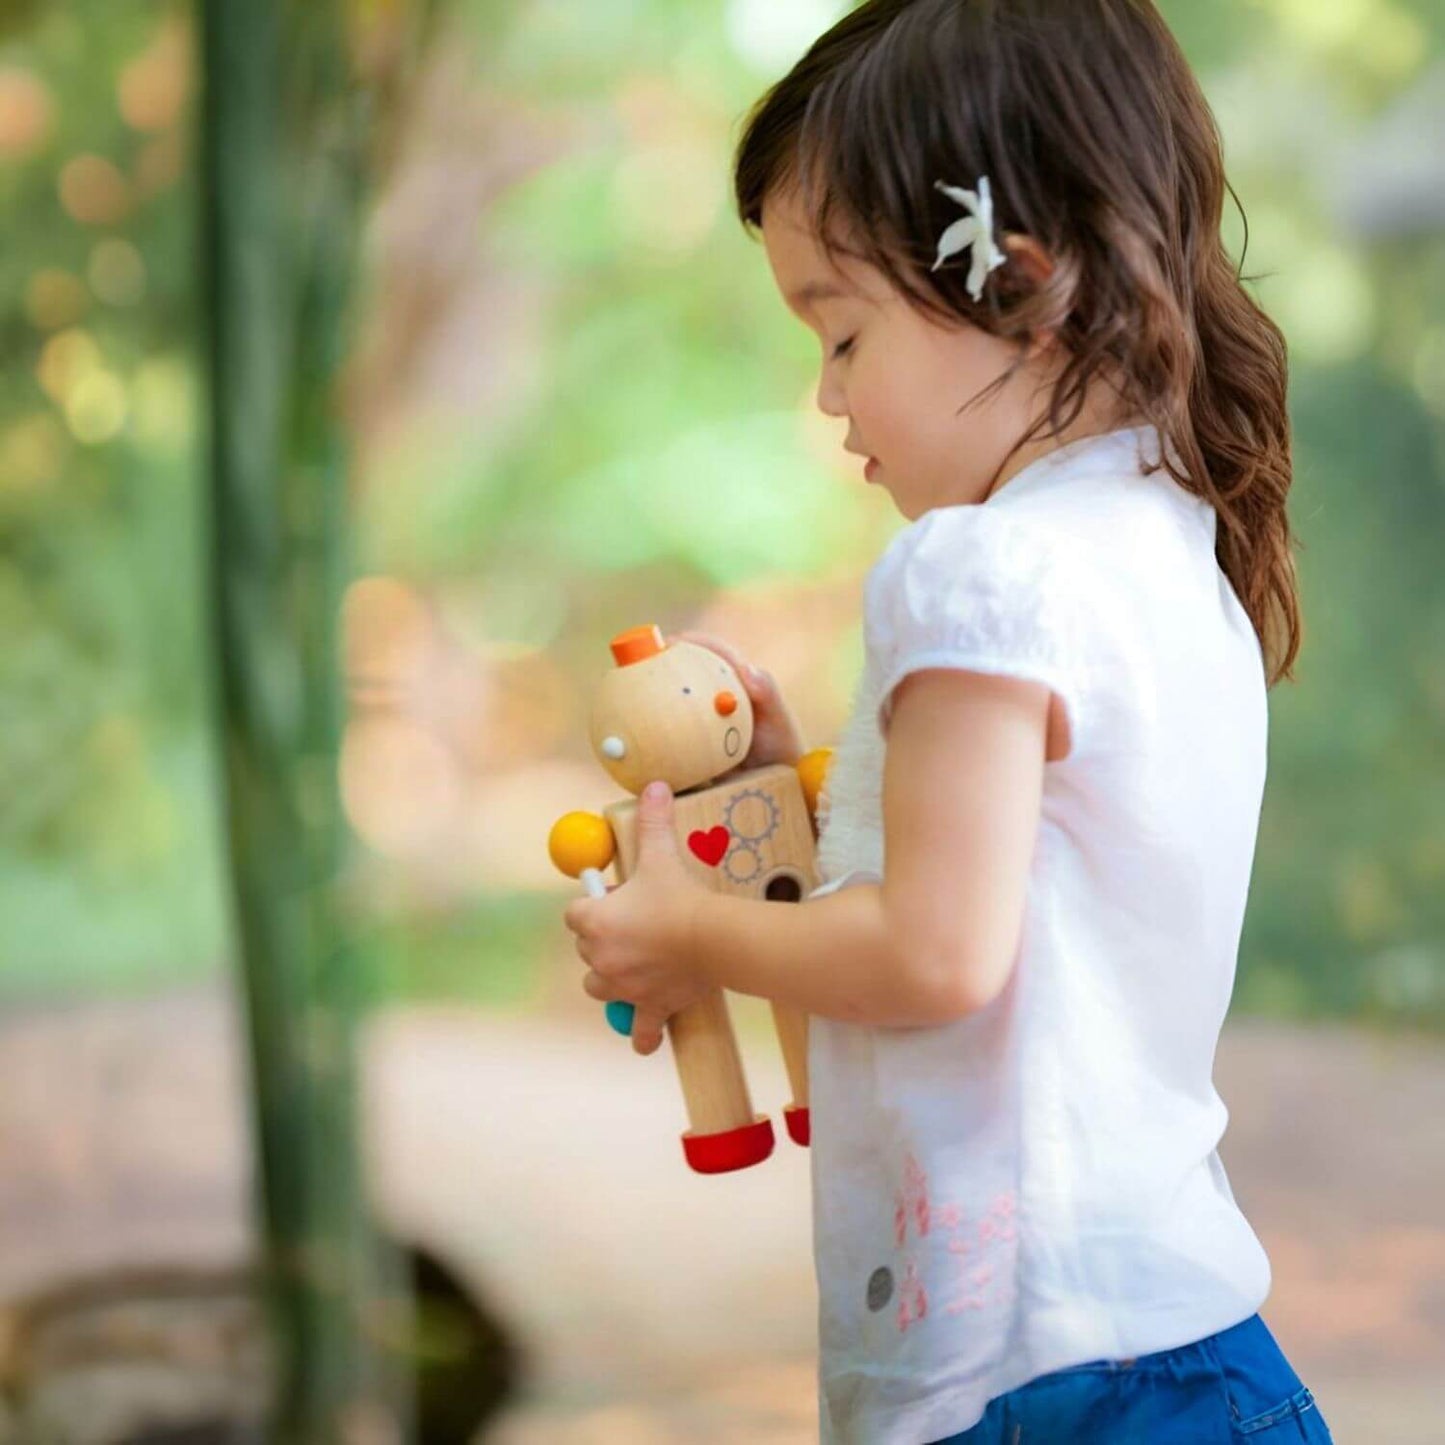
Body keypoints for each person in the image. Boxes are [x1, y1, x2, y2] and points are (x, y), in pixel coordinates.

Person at [562, 1, 1335, 1440]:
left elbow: (934, 950)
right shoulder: (1165, 549)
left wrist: (683, 932)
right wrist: (815, 782)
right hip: (1171, 1348)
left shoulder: (976, 567)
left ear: (1016, 284)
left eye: (841, 332)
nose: (824, 394)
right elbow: (1012, 905)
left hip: (1040, 1379)